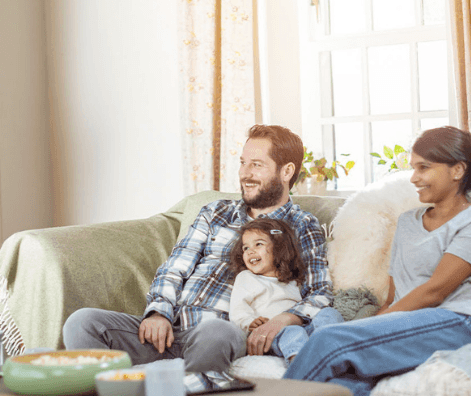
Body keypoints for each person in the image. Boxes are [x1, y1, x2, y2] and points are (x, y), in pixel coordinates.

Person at [62, 125, 334, 373]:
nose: (244, 173)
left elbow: (320, 292)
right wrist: (159, 312)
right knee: (82, 322)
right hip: (173, 329)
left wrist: (280, 321)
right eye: (242, 163)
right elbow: (175, 267)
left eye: (256, 165)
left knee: (215, 332)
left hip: (223, 332)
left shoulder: (302, 225)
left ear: (286, 171)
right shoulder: (215, 212)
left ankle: (186, 382)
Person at [283, 126, 471, 396]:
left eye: (424, 168)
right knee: (346, 384)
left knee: (329, 340)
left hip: (462, 323)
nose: (414, 178)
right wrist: (376, 324)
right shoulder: (408, 222)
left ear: (457, 170)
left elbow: (434, 292)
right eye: (413, 168)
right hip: (411, 324)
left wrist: (364, 329)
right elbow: (392, 297)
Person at [228, 218, 344, 363]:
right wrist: (249, 322)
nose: (250, 251)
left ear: (279, 248)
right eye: (245, 248)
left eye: (258, 244)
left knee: (329, 313)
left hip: (302, 329)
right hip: (270, 336)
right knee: (293, 332)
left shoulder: (293, 281)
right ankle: (301, 366)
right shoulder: (246, 277)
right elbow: (237, 309)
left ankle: (328, 352)